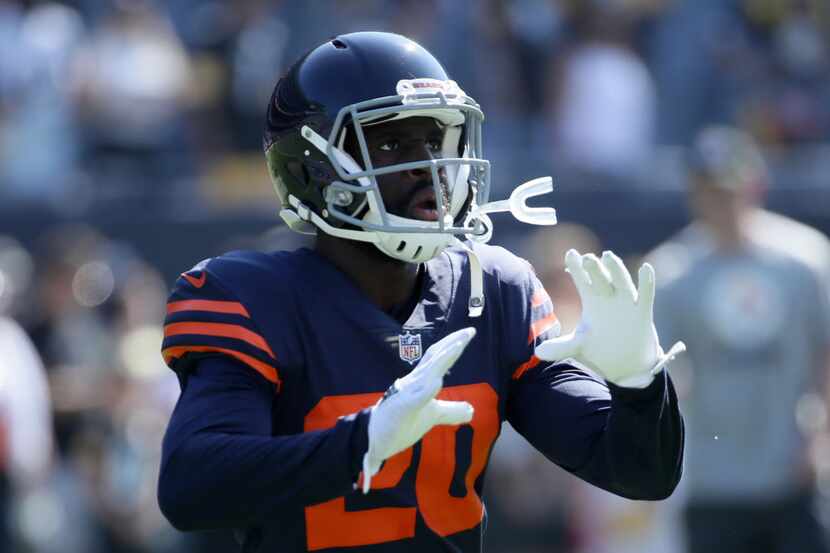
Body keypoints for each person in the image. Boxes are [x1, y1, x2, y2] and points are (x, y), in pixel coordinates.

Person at [157, 31, 685, 552]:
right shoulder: (255, 299)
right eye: (390, 143)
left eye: (435, 141)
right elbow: (190, 488)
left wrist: (638, 384)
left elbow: (641, 474)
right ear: (311, 169)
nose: (429, 168)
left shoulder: (493, 290)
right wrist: (358, 445)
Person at [648, 125, 830, 553]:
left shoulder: (804, 260)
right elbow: (660, 376)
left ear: (755, 185)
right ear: (694, 193)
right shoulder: (672, 273)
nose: (722, 203)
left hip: (792, 473)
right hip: (714, 481)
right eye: (710, 190)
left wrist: (821, 439)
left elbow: (826, 352)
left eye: (729, 189)